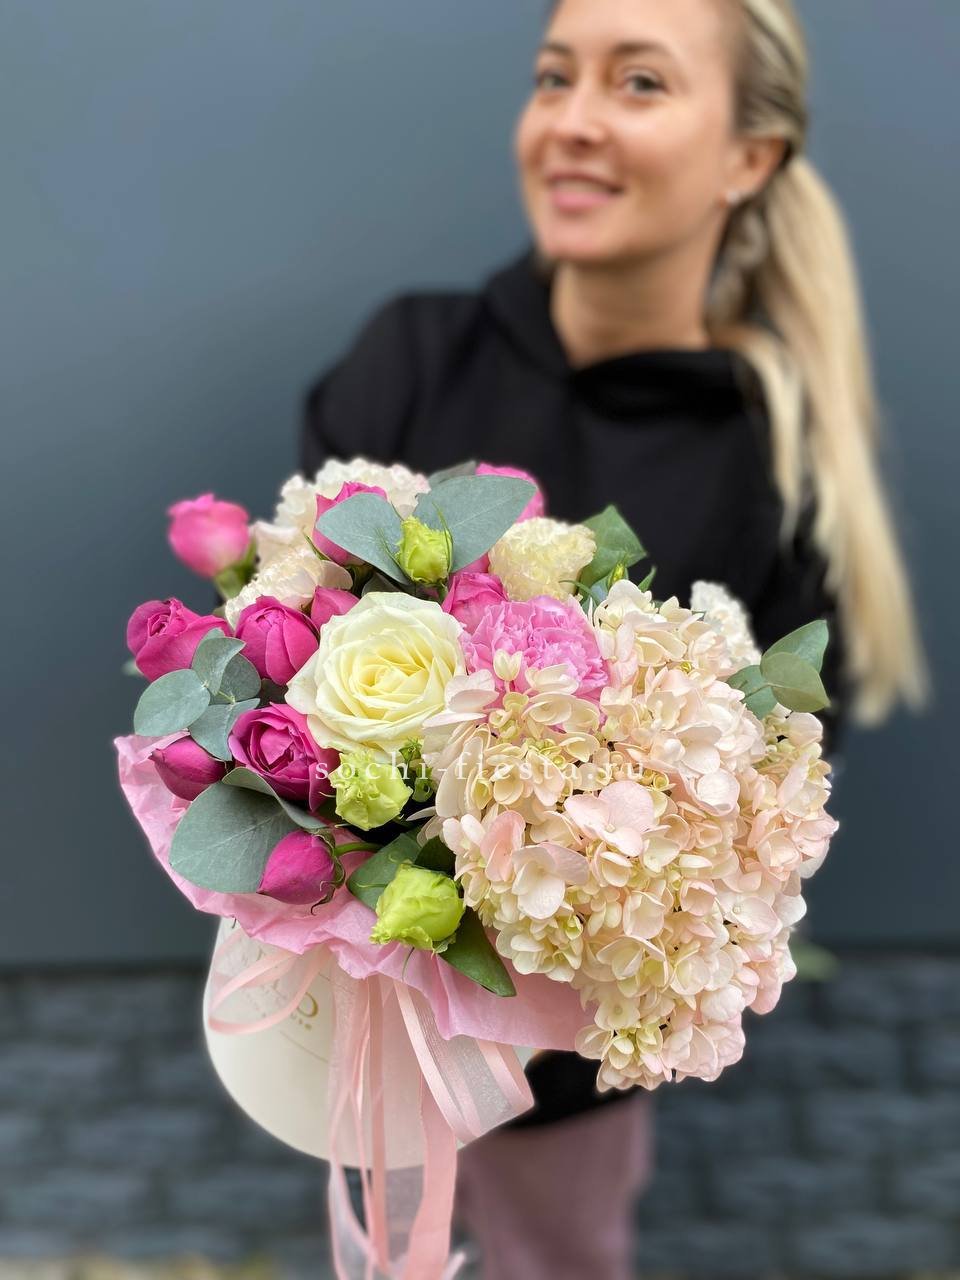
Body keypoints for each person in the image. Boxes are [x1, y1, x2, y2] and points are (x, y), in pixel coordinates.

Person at [299, 1, 931, 1275]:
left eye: (639, 83)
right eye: (555, 77)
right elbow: (295, 657)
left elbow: (754, 821)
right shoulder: (413, 355)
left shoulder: (774, 464)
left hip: (565, 1062)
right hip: (362, 1013)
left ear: (748, 155)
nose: (575, 122)